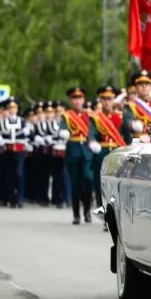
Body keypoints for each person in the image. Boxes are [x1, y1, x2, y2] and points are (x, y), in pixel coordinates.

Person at [58, 87, 97, 225]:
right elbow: (62, 127)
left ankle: (87, 210)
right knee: (75, 183)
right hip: (73, 151)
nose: (77, 101)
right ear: (70, 100)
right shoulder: (66, 115)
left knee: (88, 180)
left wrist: (92, 140)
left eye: (80, 98)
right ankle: (76, 214)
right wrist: (63, 133)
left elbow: (91, 130)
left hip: (87, 151)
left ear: (83, 99)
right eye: (74, 98)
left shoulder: (89, 115)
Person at [90, 85, 124, 211]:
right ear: (100, 100)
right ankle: (103, 210)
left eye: (109, 99)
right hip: (101, 153)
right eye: (104, 99)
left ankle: (114, 212)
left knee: (116, 184)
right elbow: (91, 132)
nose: (107, 102)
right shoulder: (95, 118)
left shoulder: (120, 117)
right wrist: (92, 141)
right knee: (100, 184)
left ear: (113, 100)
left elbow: (125, 136)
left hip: (116, 153)